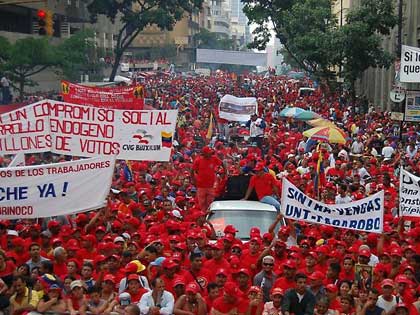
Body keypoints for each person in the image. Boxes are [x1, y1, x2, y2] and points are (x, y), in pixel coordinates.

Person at [192, 146, 224, 211]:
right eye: (208, 153)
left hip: (211, 186)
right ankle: (203, 216)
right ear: (204, 153)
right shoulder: (198, 160)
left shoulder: (214, 158)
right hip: (201, 186)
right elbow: (192, 171)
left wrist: (225, 173)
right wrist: (194, 181)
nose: (210, 154)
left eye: (210, 152)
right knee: (202, 204)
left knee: (210, 204)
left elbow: (222, 164)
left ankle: (209, 216)